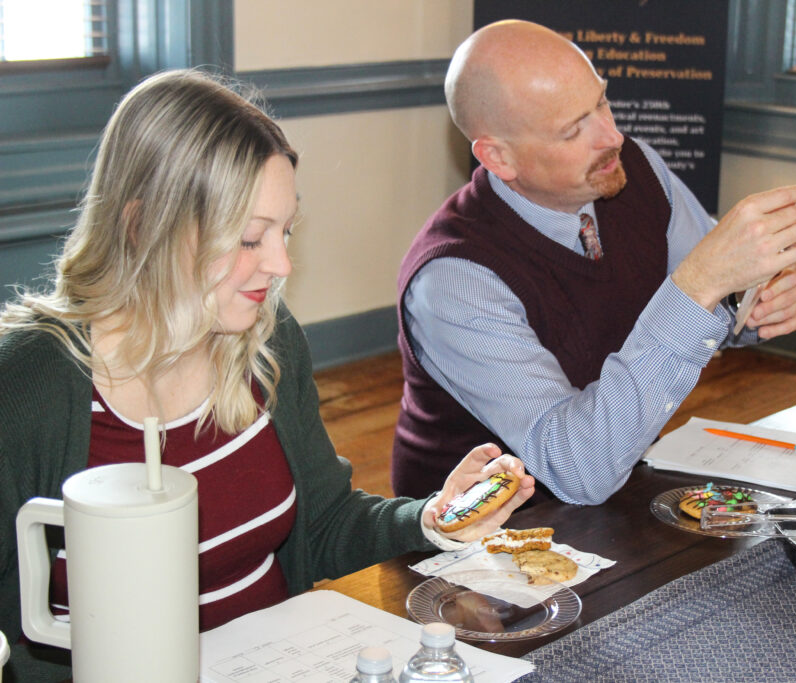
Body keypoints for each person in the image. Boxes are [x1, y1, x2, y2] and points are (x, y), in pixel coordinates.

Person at [0, 69, 534, 679]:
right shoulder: (26, 386)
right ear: (144, 226)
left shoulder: (266, 342)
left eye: (285, 231)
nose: (279, 264)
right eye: (250, 238)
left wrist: (434, 518)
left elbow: (327, 524)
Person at [391, 19, 796, 504]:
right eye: (574, 130)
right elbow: (576, 468)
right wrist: (698, 287)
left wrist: (753, 305)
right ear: (499, 158)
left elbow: (718, 301)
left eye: (602, 102)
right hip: (474, 544)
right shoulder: (454, 278)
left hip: (620, 493)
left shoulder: (633, 169)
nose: (611, 136)